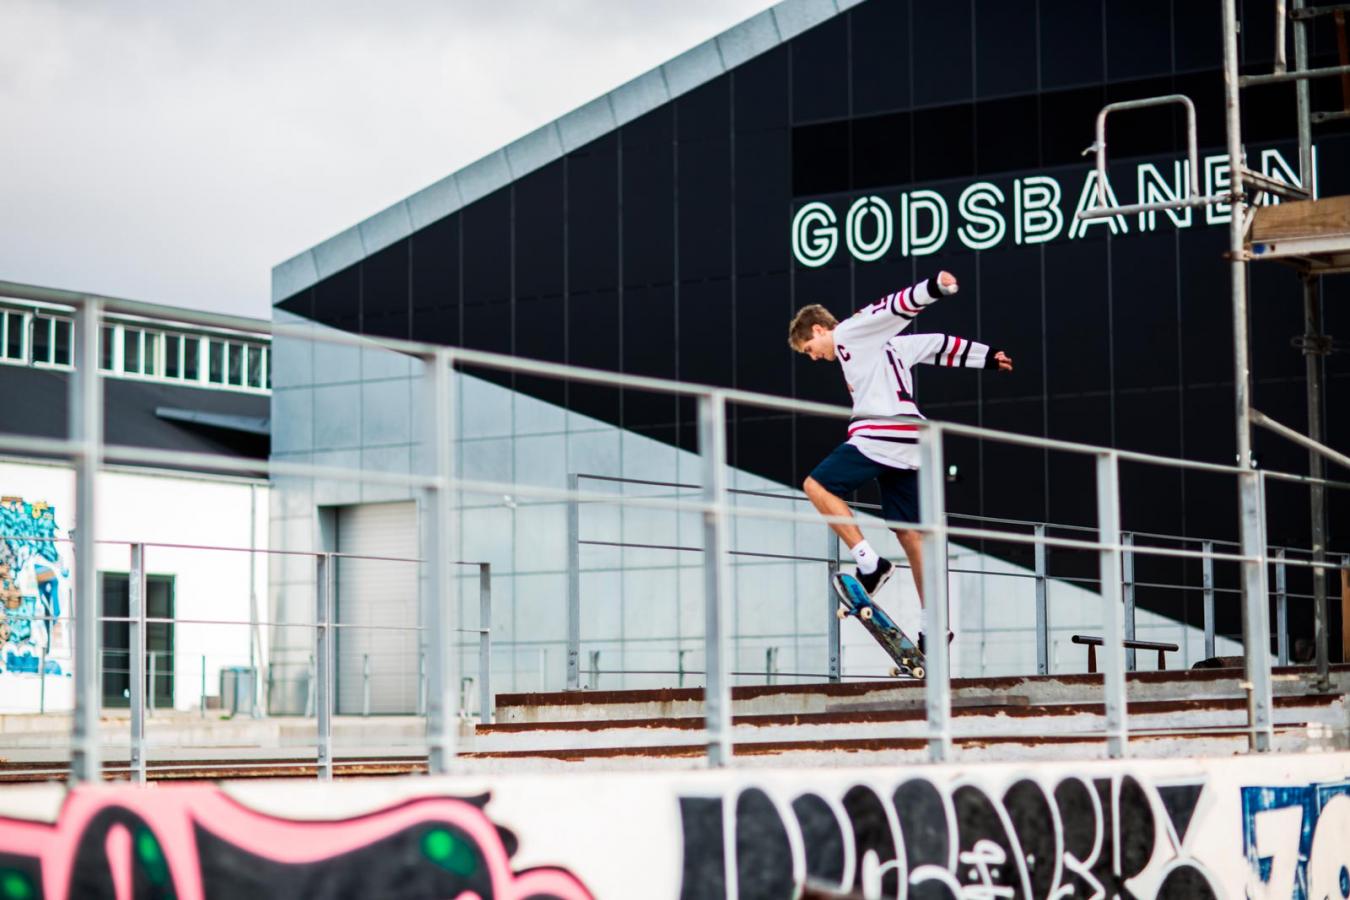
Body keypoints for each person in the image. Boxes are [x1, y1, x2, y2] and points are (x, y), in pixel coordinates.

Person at [788, 271, 1012, 650]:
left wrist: (933, 289)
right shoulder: (888, 346)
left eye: (810, 350)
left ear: (817, 329)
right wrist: (987, 357)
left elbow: (891, 308)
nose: (816, 359)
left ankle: (869, 561)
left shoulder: (849, 333)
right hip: (913, 441)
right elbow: (935, 345)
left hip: (882, 433)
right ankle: (933, 625)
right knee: (910, 533)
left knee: (817, 485)